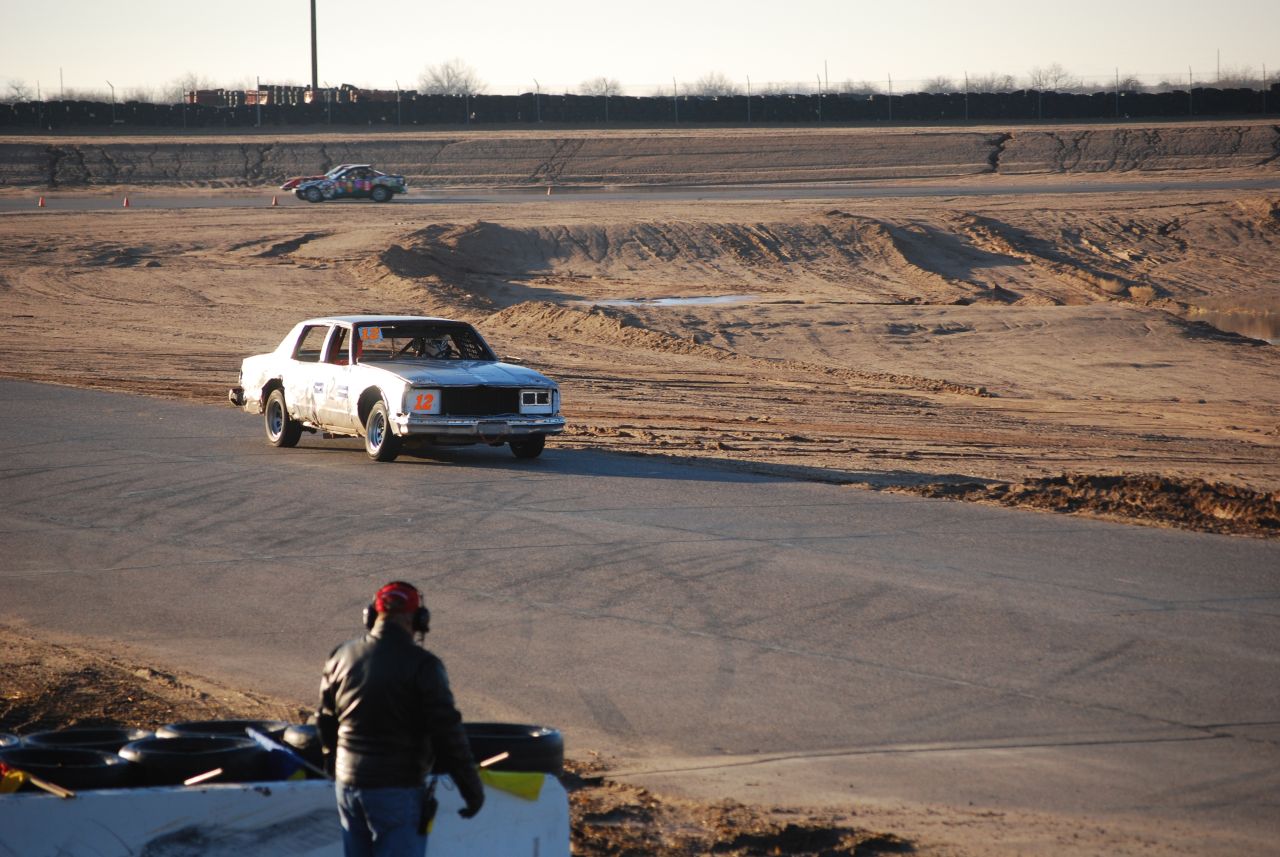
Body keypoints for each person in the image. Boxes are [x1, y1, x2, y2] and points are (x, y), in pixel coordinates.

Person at [318, 581, 485, 856]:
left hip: (347, 786)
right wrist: (471, 789)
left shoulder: (341, 656)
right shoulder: (424, 665)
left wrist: (332, 763)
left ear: (372, 615)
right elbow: (447, 732)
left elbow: (325, 719)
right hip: (397, 788)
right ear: (419, 620)